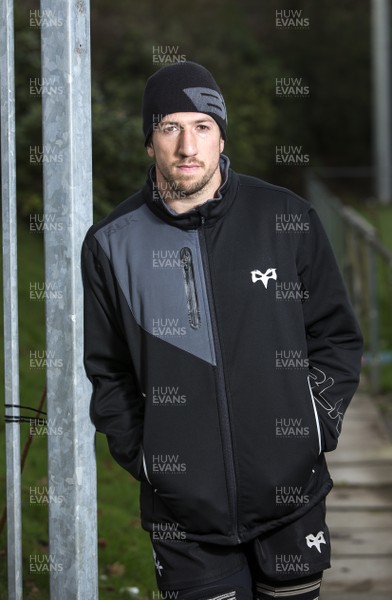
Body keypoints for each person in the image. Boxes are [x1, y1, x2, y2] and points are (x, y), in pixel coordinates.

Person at [81, 61, 363, 600]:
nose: (188, 146)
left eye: (202, 126)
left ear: (221, 136)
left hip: (292, 499)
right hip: (183, 518)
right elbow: (108, 371)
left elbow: (335, 336)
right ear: (149, 143)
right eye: (170, 128)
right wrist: (148, 459)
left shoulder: (286, 218)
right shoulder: (110, 244)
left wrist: (314, 425)